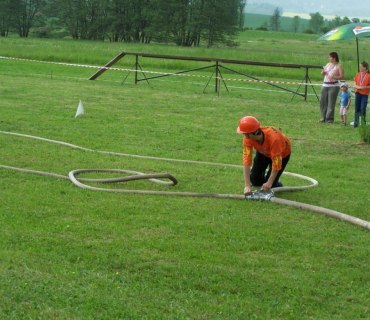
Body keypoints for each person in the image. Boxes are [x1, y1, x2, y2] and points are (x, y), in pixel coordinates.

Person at [236, 116, 291, 195]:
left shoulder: (275, 139)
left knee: (271, 185)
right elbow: (246, 160)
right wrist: (247, 186)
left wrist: (269, 182)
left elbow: (276, 164)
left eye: (245, 134)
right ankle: (266, 180)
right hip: (263, 152)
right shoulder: (247, 139)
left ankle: (276, 183)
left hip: (282, 154)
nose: (245, 137)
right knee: (255, 180)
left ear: (253, 133)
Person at [320, 52, 344, 123]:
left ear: (334, 58)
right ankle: (323, 117)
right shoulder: (327, 64)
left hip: (333, 86)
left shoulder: (339, 66)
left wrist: (334, 77)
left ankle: (329, 119)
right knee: (323, 102)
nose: (329, 58)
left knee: (331, 103)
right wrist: (323, 73)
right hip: (325, 85)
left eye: (330, 57)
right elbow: (323, 72)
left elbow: (342, 76)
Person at [353, 61, 370, 127]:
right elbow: (355, 82)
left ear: (365, 67)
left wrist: (364, 87)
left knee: (363, 108)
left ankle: (363, 123)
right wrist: (356, 86)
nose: (360, 67)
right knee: (357, 108)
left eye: (361, 66)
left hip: (365, 94)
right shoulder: (358, 74)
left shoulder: (368, 76)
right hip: (358, 93)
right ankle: (356, 123)